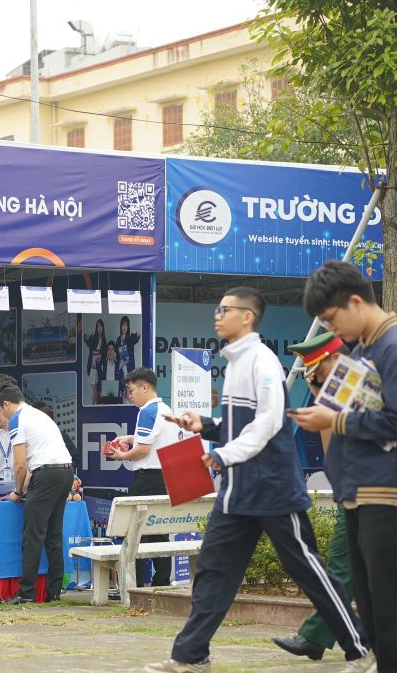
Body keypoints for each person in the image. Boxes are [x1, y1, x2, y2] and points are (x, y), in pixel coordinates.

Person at [146, 287, 371, 673]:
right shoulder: (235, 362)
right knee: (213, 571)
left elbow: (268, 422)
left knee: (307, 570)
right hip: (237, 492)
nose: (217, 316)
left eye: (225, 310)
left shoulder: (263, 361)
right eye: (217, 309)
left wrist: (224, 454)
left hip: (273, 488)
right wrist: (207, 425)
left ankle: (361, 648)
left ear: (247, 317)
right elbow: (242, 424)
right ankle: (191, 655)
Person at [292, 260, 397, 672]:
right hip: (358, 493)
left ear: (355, 302)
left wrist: (333, 420)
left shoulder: (391, 346)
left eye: (331, 319)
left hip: (385, 494)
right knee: (371, 609)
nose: (331, 329)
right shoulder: (364, 349)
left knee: (386, 607)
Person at [273, 332, 356, 661]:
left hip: (372, 492)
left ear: (335, 359)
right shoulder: (341, 388)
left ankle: (318, 636)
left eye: (318, 370)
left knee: (343, 564)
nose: (315, 378)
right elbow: (331, 450)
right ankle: (320, 637)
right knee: (349, 565)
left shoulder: (355, 385)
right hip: (358, 491)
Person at [0, 381, 74, 604]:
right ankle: (53, 592)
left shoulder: (17, 419)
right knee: (53, 535)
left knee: (32, 536)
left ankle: (26, 593)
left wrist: (17, 492)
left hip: (46, 475)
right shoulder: (39, 415)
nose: (0, 416)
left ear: (6, 404)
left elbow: (20, 464)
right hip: (66, 472)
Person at [107, 367, 175, 588]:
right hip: (164, 477)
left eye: (131, 390)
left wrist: (122, 456)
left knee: (135, 533)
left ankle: (133, 585)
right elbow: (154, 440)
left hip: (146, 479)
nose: (130, 395)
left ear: (145, 388)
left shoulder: (146, 411)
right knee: (159, 533)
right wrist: (130, 438)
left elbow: (144, 450)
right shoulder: (164, 408)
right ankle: (161, 581)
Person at [33, 400, 80, 468]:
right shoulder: (29, 437)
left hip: (60, 473)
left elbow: (76, 458)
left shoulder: (62, 436)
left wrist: (64, 470)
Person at [115, 315, 141, 399]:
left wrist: (138, 335)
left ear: (128, 326)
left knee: (129, 392)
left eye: (126, 325)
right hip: (121, 368)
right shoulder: (118, 339)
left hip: (129, 367)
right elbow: (117, 354)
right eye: (123, 325)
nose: (124, 327)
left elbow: (135, 339)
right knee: (122, 392)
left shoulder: (130, 337)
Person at [84, 319, 107, 404]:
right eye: (98, 327)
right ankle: (92, 408)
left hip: (99, 370)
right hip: (92, 369)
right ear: (96, 328)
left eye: (101, 326)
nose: (99, 328)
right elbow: (87, 342)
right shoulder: (93, 338)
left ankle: (96, 407)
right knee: (95, 393)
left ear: (103, 328)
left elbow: (104, 355)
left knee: (98, 394)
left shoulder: (104, 339)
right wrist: (86, 336)